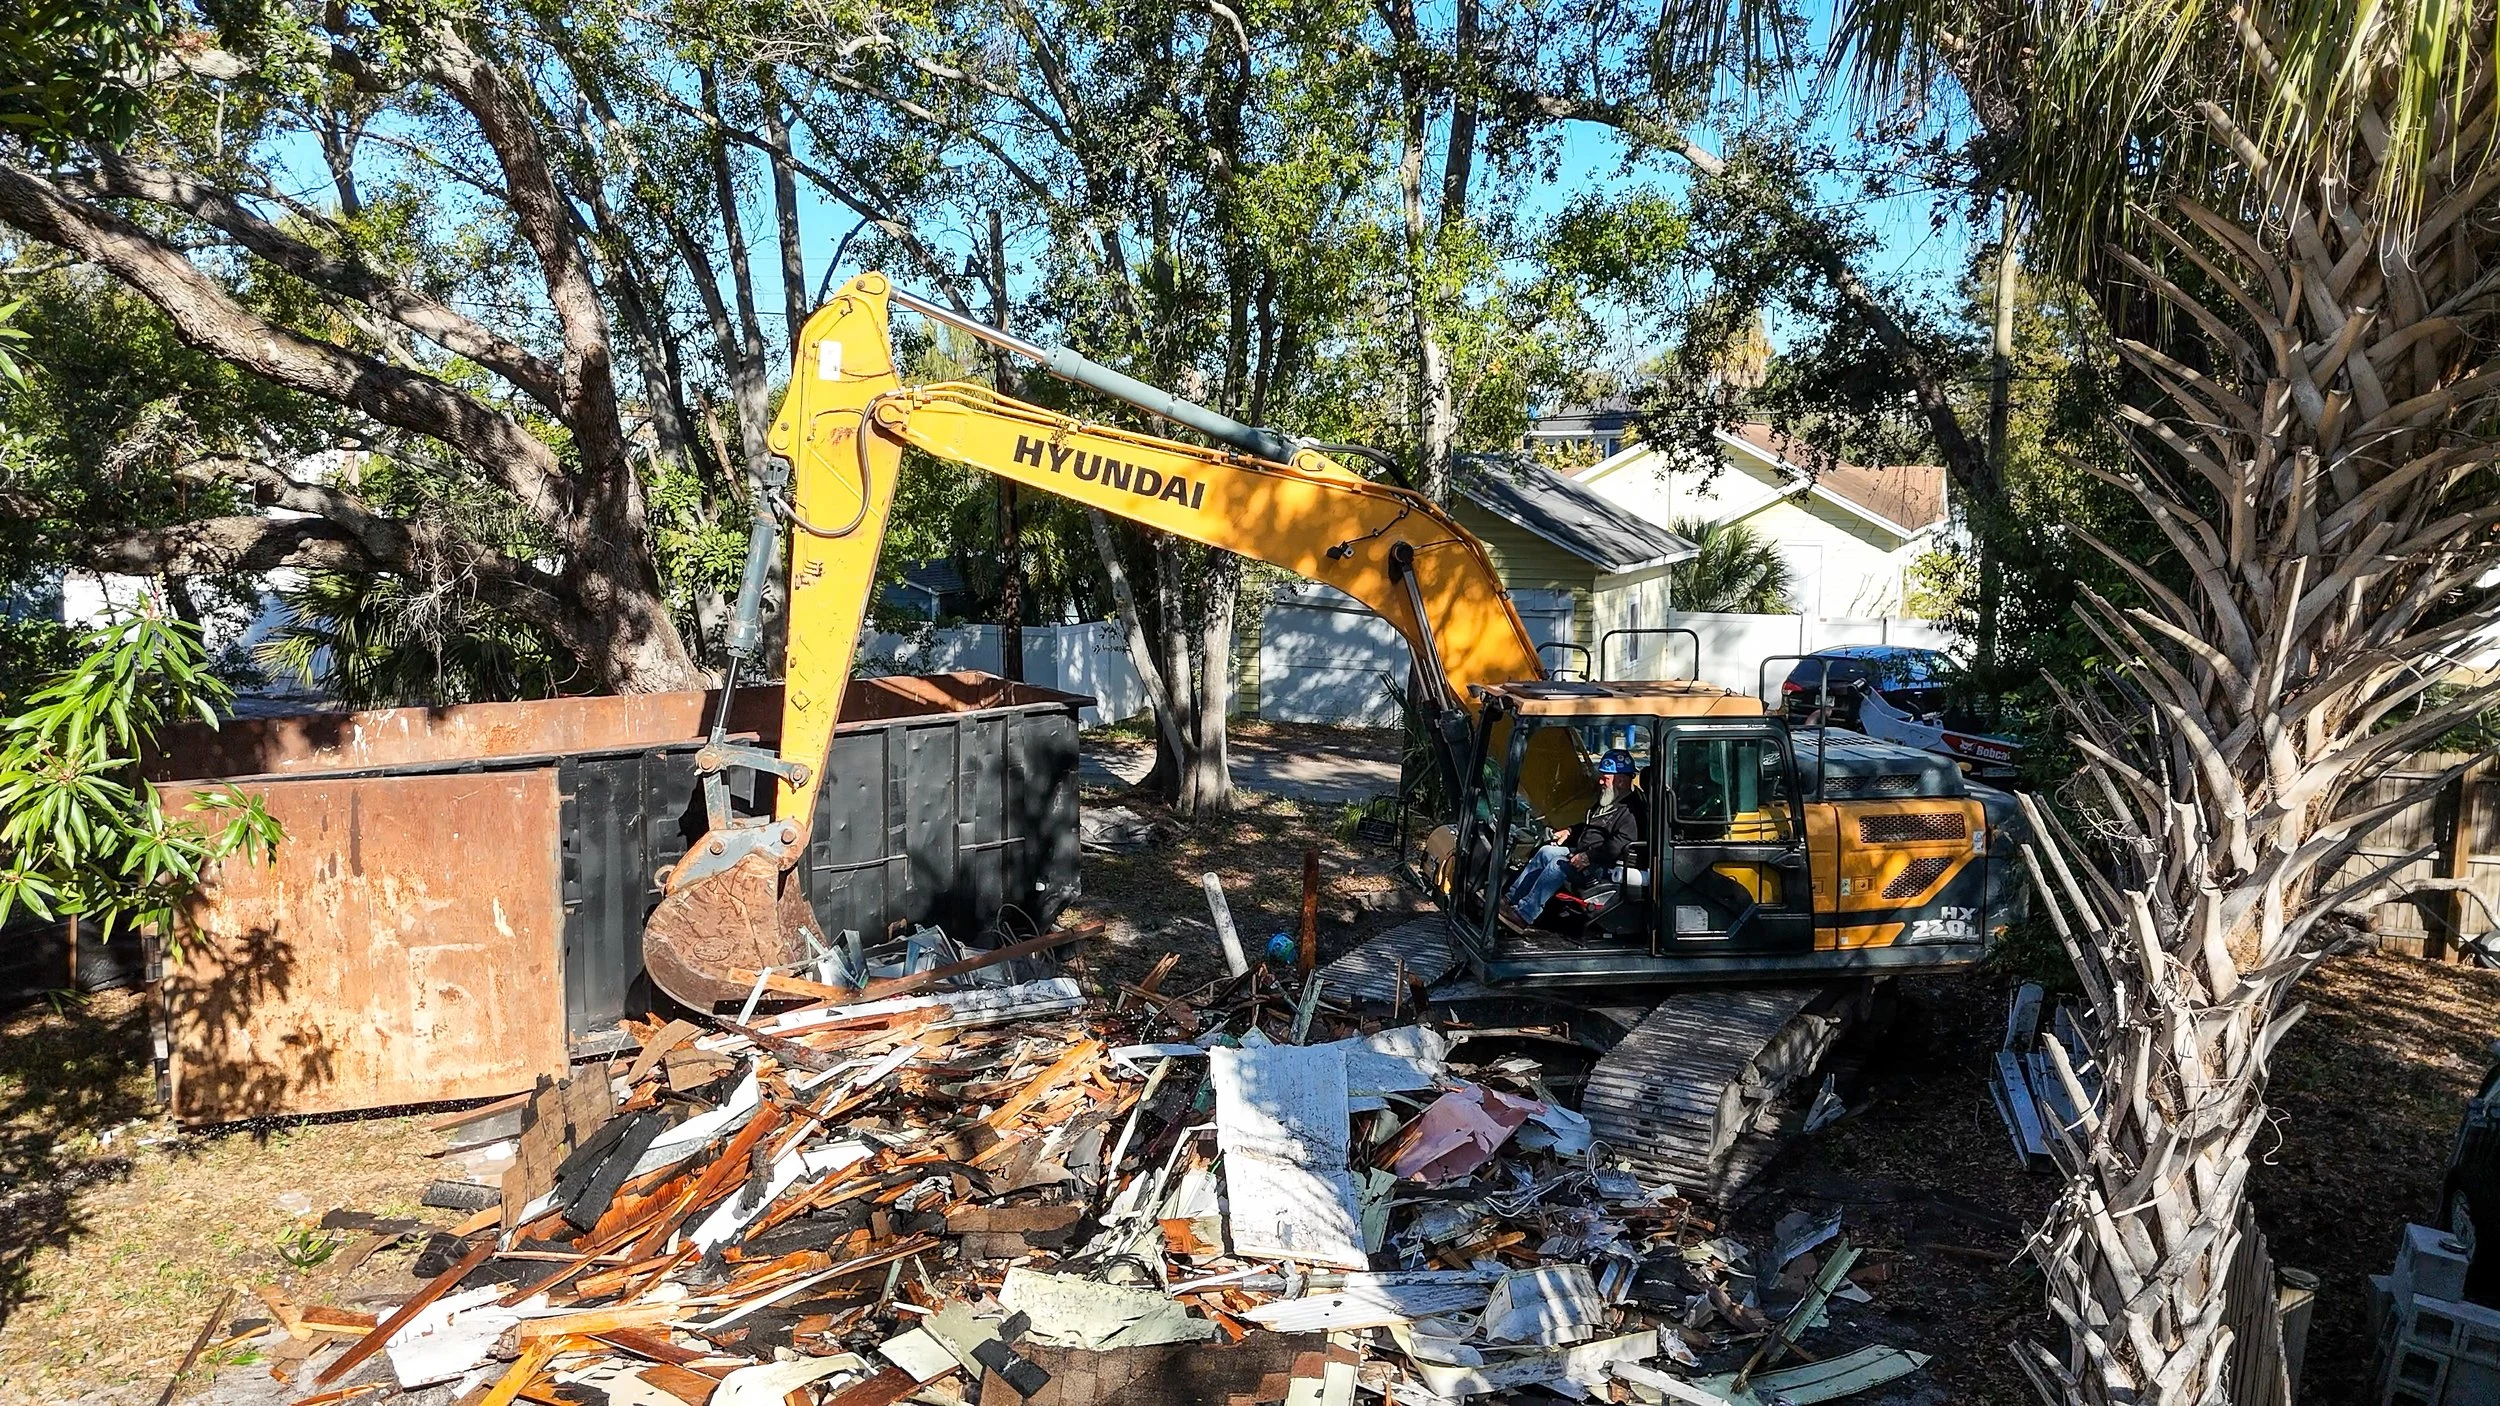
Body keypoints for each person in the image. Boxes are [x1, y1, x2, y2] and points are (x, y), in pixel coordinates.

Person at [1502, 749, 1642, 930]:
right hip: (1584, 853)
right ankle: (1509, 899)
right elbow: (1591, 828)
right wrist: (1569, 831)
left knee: (1558, 865)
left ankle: (1523, 914)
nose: (1600, 781)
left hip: (1603, 865)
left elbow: (1619, 845)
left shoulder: (1631, 810)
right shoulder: (1608, 800)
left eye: (1604, 778)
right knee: (1546, 852)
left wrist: (1588, 857)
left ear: (1620, 780)